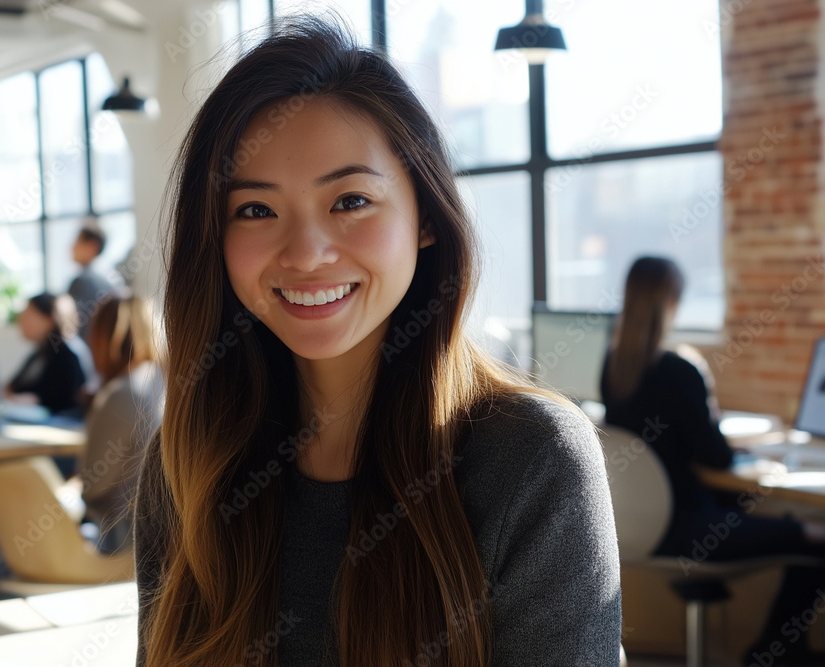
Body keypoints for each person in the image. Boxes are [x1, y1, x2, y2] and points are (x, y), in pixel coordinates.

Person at [133, 16, 621, 667]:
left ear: (424, 217)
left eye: (351, 200)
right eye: (255, 209)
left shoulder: (532, 458)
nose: (306, 253)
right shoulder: (189, 461)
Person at [601, 256, 825, 663]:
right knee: (816, 536)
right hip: (691, 532)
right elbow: (717, 458)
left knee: (767, 514)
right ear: (671, 302)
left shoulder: (612, 366)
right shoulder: (680, 371)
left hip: (638, 532)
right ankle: (773, 651)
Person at [68, 295, 165, 554]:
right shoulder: (161, 381)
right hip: (160, 534)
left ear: (101, 338)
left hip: (121, 539)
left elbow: (91, 489)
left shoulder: (121, 393)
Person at [6, 292, 96, 417]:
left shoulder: (68, 355)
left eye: (28, 315)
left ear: (49, 320)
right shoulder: (39, 353)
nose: (20, 320)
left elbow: (68, 401)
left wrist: (36, 400)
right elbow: (13, 386)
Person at [68, 224, 118, 341]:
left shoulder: (82, 282)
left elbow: (75, 328)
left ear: (92, 246)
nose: (72, 247)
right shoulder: (112, 278)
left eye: (77, 242)